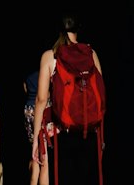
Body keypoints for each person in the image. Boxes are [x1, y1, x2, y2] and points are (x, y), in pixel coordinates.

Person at [31, 15, 103, 185]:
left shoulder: (50, 56)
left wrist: (35, 139)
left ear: (58, 30)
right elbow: (100, 92)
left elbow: (41, 99)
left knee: (58, 174)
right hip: (88, 128)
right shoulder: (91, 54)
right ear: (79, 29)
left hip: (60, 129)